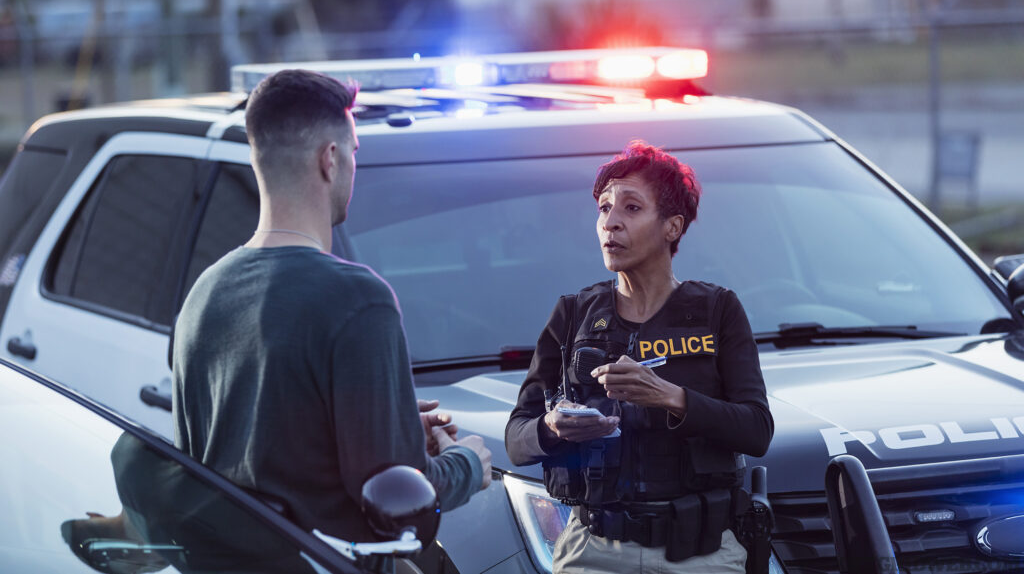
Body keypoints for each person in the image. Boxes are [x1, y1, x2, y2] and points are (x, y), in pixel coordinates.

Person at [172, 69, 491, 545]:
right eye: (355, 152)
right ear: (331, 159)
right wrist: (466, 464)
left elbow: (231, 462)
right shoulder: (358, 299)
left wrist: (394, 425)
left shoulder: (203, 295)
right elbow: (398, 505)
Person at [505, 141, 773, 573]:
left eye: (631, 208)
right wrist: (553, 426)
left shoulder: (718, 310)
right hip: (593, 552)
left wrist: (670, 397)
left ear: (672, 227)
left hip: (700, 556)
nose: (610, 223)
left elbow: (758, 430)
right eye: (604, 208)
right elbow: (517, 440)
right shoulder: (572, 314)